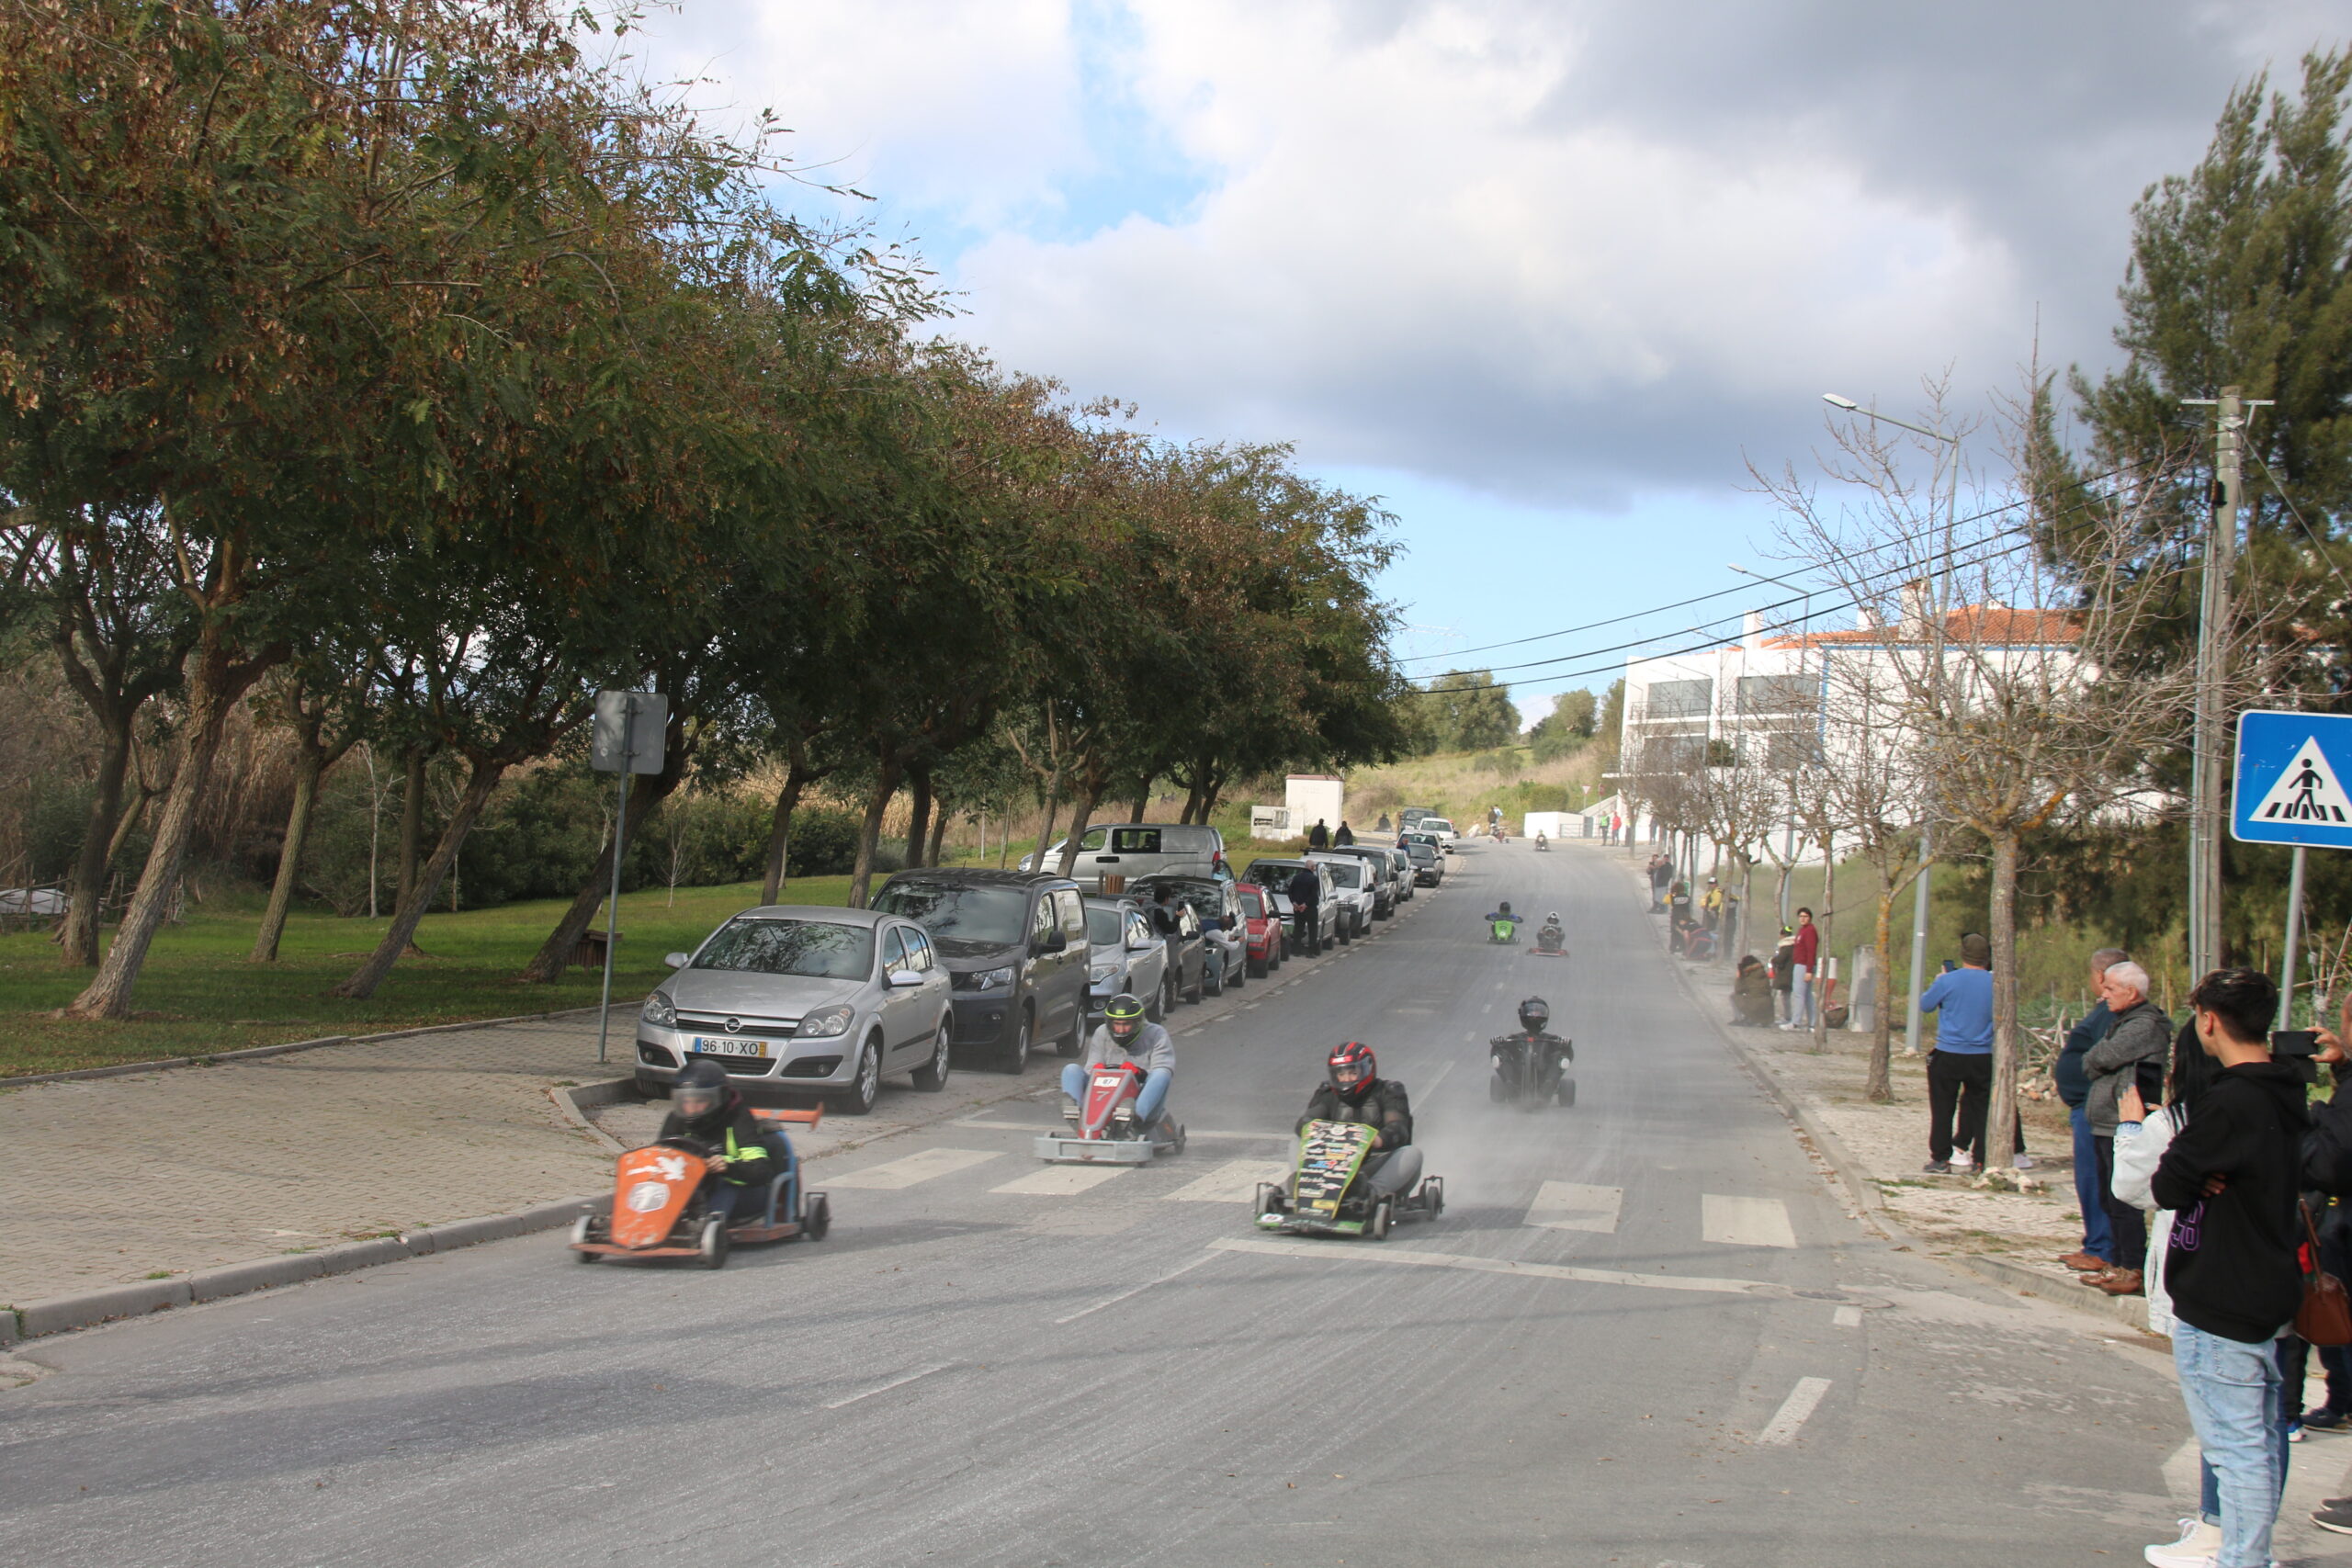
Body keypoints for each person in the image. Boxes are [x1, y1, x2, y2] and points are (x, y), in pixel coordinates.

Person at [2149, 968, 2302, 1568]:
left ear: (2209, 1019)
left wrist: (2196, 1174)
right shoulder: (2287, 1091)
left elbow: (2166, 1181)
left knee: (2236, 1449)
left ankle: (2243, 1558)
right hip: (2268, 1284)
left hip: (2221, 1293)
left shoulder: (2231, 1100)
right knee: (2258, 1443)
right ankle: (2246, 1553)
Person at [2114, 1018, 2229, 1566]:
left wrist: (2132, 1128)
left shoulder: (2181, 1122)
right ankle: (2234, 1534)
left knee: (2222, 1421)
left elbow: (2134, 1188)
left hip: (2202, 1283)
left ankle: (2218, 1532)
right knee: (2255, 1423)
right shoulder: (2272, 1109)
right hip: (2258, 1283)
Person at [2083, 959, 2175, 1295]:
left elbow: (2100, 1057)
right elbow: (2093, 1056)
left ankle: (2132, 1266)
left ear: (2130, 991)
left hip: (2122, 1121)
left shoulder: (2144, 1025)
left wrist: (2095, 1059)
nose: (2103, 994)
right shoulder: (2122, 1020)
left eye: (2110, 988)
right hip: (2105, 1121)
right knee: (2109, 1198)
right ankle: (2118, 1262)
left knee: (2124, 1201)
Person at [2053, 949, 2129, 1272]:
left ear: (2099, 976)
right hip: (2085, 1105)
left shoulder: (2112, 1015)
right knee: (2090, 1178)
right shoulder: (2106, 1013)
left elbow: (2105, 1056)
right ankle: (2095, 1242)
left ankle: (2102, 1246)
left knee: (2095, 1177)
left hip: (2094, 1107)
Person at [657, 1058, 781, 1225]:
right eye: (686, 1102)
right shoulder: (676, 1119)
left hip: (745, 1193)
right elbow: (658, 1160)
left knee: (724, 1184)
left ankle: (704, 1226)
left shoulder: (739, 1119)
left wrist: (727, 1167)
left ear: (719, 1098)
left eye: (700, 1101)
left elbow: (761, 1171)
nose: (692, 1109)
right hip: (695, 1191)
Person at [1299, 1041, 1419, 1198]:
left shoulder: (1388, 1092)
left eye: (1352, 1073)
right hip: (1332, 1162)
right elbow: (1306, 1121)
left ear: (1367, 1069)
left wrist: (1378, 1139)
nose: (1346, 1079)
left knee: (1412, 1153)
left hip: (1374, 1163)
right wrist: (1314, 1131)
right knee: (1296, 1142)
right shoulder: (1328, 1094)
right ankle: (1303, 1185)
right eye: (1341, 1074)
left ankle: (1371, 1192)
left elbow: (1398, 1127)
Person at [1918, 933, 1996, 1173]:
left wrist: (1939, 980)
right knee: (1980, 1108)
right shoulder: (1997, 983)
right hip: (1983, 1054)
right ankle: (1981, 1159)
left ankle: (1941, 1158)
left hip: (1949, 1052)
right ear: (1988, 957)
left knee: (1943, 1108)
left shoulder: (1948, 981)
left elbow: (1925, 1005)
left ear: (1963, 954)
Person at [1062, 992, 1174, 1134]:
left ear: (1137, 1022)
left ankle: (1131, 1118)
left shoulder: (1157, 1034)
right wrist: (1097, 1070)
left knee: (1162, 1073)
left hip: (1139, 1096)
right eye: (1117, 1024)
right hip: (1103, 1097)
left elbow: (1162, 1070)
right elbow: (1091, 1068)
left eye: (1126, 1024)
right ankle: (1076, 1115)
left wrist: (1140, 1073)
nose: (1121, 1030)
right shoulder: (1102, 1033)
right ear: (1109, 1023)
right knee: (1071, 1069)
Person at [1489, 997, 1573, 1100]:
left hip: (1544, 1073)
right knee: (1500, 1055)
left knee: (1561, 1057)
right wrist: (1497, 1044)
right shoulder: (1514, 1039)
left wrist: (1566, 1045)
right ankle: (1509, 1083)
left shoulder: (1551, 1040)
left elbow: (1567, 1054)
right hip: (1516, 1075)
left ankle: (1549, 1085)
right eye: (1531, 1012)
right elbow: (1500, 1051)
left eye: (1538, 1013)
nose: (1534, 1016)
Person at [1781, 908, 1818, 1032]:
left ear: (1810, 918)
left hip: (1804, 965)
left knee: (1799, 994)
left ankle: (1796, 1022)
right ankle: (1812, 1023)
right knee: (1807, 995)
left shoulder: (1810, 931)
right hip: (1799, 964)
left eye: (1806, 916)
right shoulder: (1802, 930)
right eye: (1801, 916)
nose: (1803, 918)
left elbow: (1811, 951)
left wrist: (1808, 970)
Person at [1285, 863, 1322, 949]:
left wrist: (1294, 903)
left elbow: (1290, 891)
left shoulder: (1296, 878)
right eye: (1314, 867)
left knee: (1298, 928)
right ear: (1312, 868)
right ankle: (1311, 950)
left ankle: (1296, 949)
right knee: (1312, 929)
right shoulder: (1314, 879)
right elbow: (1313, 894)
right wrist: (1305, 904)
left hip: (1298, 908)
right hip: (1310, 908)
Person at [1732, 955, 1776, 1026]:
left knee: (1733, 996)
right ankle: (1755, 1019)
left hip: (1755, 1006)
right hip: (1768, 1006)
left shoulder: (1748, 974)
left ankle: (1739, 1019)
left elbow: (1738, 990)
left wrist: (1739, 977)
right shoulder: (1763, 972)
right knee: (1753, 996)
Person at [1770, 926, 1796, 1024]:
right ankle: (1789, 1017)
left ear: (1783, 935)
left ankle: (1787, 1017)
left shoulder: (1786, 946)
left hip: (1785, 975)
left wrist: (1773, 960)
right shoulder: (1794, 945)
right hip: (1790, 974)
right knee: (1787, 996)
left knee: (1785, 996)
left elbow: (1780, 959)